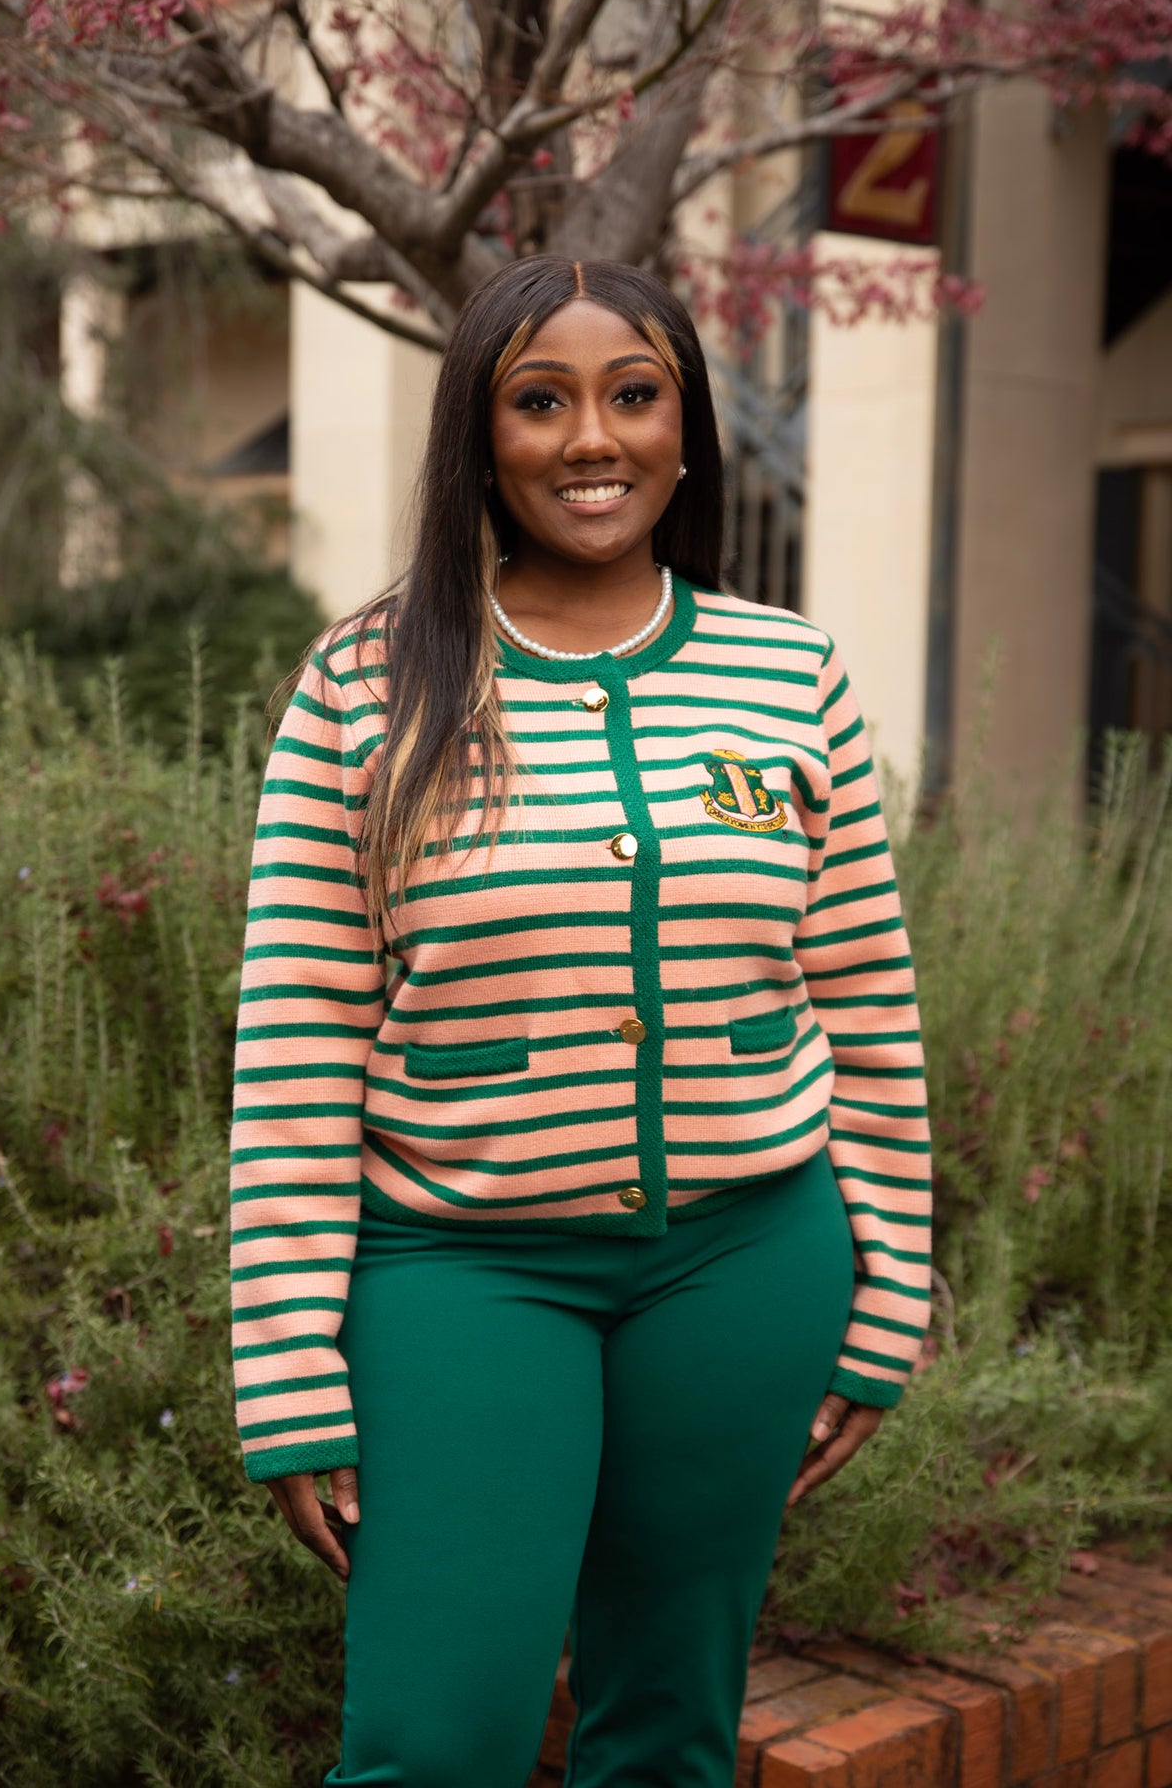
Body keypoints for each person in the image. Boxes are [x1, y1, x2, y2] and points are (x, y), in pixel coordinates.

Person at [228, 255, 932, 1788]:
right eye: (541, 401)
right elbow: (297, 1037)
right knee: (432, 1744)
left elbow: (869, 1004)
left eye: (635, 395)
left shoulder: (790, 671)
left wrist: (890, 1299)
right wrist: (287, 1366)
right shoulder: (366, 684)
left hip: (747, 1264)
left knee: (670, 1735)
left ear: (688, 429)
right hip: (461, 1271)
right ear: (481, 441)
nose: (592, 438)